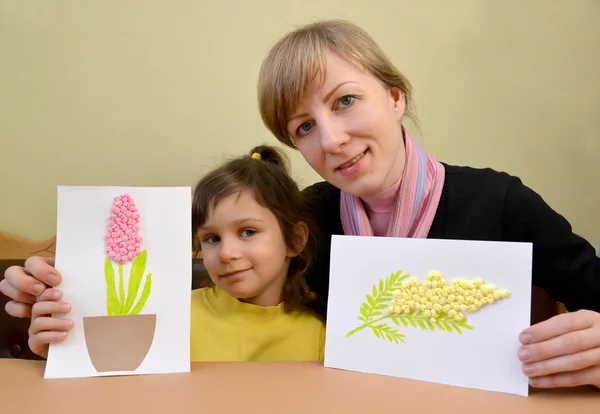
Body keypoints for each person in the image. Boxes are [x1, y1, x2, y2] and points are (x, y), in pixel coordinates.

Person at [2, 19, 599, 387]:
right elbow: (196, 278)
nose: (331, 140)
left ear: (395, 97)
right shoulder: (308, 217)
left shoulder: (499, 201)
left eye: (344, 102)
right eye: (303, 127)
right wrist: (62, 303)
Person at [3, 145, 326, 362]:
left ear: (295, 240)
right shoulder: (170, 314)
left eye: (247, 232)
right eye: (211, 238)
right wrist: (62, 352)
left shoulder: (319, 335)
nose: (226, 253)